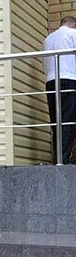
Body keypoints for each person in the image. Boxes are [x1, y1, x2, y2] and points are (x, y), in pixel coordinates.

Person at [42, 16, 76, 164]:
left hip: (50, 82)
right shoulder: (72, 34)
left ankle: (58, 158)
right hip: (68, 80)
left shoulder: (48, 39)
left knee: (57, 122)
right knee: (68, 120)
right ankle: (64, 159)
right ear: (73, 25)